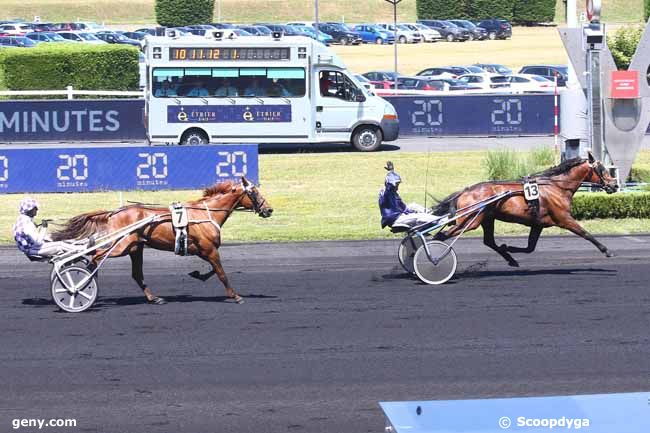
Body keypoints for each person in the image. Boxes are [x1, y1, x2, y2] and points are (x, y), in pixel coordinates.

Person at [378, 162, 445, 230]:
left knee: (413, 205)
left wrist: (392, 171)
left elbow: (403, 207)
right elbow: (389, 185)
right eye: (397, 185)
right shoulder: (388, 192)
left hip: (397, 215)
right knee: (420, 216)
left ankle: (430, 213)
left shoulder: (391, 192)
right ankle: (441, 220)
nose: (397, 187)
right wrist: (390, 171)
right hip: (396, 219)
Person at [13, 197, 87, 259]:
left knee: (53, 237)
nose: (37, 210)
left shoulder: (22, 219)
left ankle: (81, 243)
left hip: (32, 247)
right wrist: (44, 228)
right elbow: (38, 242)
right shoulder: (27, 224)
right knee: (59, 245)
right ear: (29, 210)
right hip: (33, 249)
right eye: (35, 208)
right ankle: (83, 249)